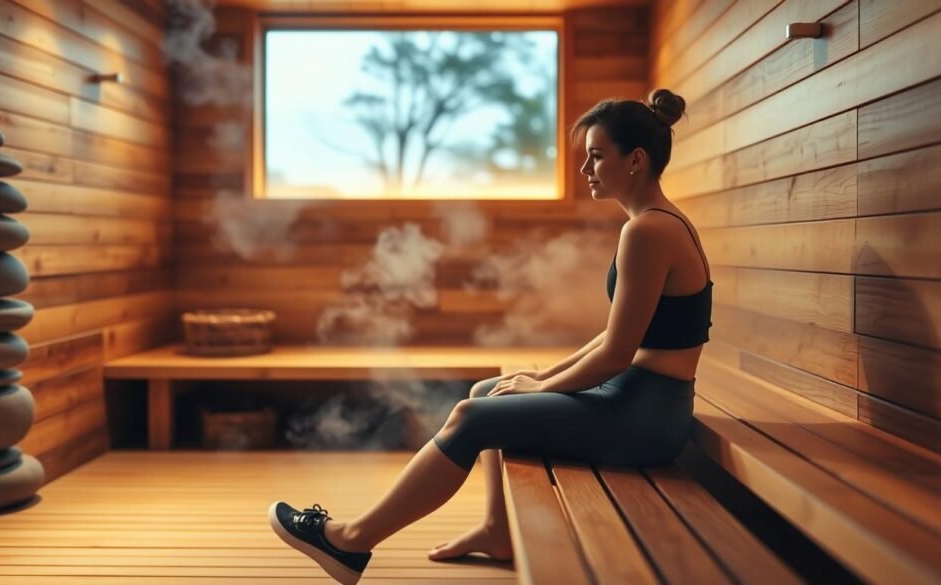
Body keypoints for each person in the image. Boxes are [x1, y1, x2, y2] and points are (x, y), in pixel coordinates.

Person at [268, 88, 712, 585]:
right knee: (488, 391)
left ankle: (348, 542)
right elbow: (618, 334)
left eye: (595, 157)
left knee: (472, 415)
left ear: (635, 160)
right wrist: (540, 374)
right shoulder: (656, 224)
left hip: (644, 416)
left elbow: (616, 353)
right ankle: (496, 531)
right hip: (642, 399)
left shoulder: (648, 232)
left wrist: (542, 389)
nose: (586, 170)